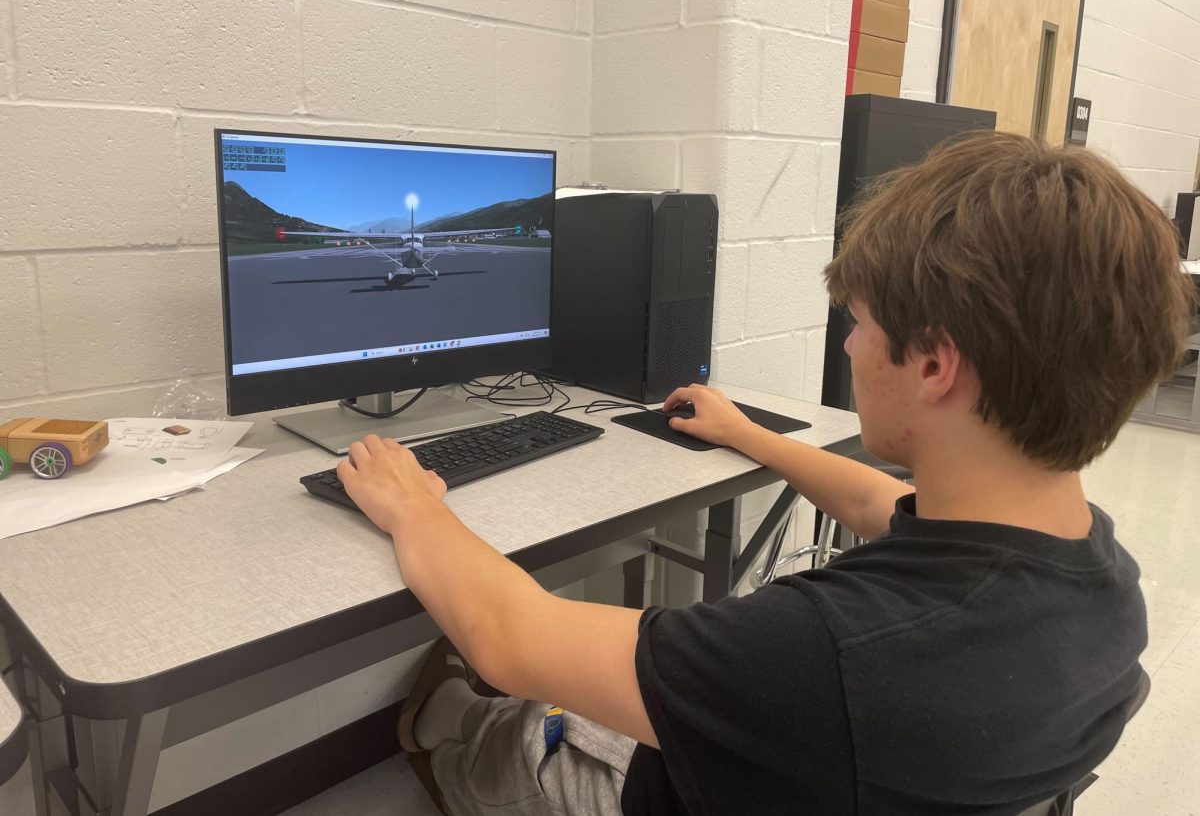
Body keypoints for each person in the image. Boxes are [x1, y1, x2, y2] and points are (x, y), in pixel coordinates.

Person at [337, 132, 1197, 815]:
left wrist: (415, 506)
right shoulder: (1103, 579)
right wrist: (752, 435)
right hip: (836, 775)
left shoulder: (823, 653)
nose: (852, 346)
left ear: (935, 362)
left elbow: (508, 637)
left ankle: (450, 733)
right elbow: (881, 501)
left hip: (656, 793)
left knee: (510, 714)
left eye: (858, 324)